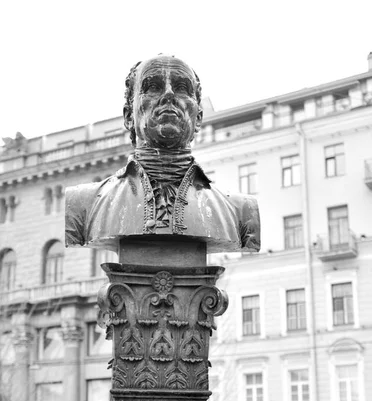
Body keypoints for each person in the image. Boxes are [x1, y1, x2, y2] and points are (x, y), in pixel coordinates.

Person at [65, 55, 260, 254]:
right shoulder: (82, 204)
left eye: (182, 88)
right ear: (128, 116)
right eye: (153, 87)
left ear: (198, 118)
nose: (169, 95)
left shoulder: (241, 211)